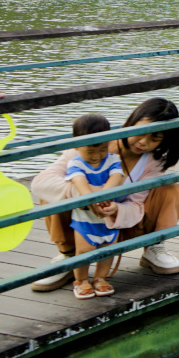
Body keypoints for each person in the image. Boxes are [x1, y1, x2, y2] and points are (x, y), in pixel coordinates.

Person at [30, 97, 179, 291]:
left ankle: (154, 246)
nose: (143, 142)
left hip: (121, 225)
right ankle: (69, 256)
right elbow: (40, 183)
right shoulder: (96, 140)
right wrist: (87, 195)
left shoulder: (153, 162)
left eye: (155, 138)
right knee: (52, 193)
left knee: (171, 190)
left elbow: (137, 205)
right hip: (82, 225)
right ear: (133, 121)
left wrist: (115, 208)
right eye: (142, 131)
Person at [63, 114, 126, 299]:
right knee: (84, 251)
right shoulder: (75, 163)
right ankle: (81, 280)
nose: (97, 156)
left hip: (107, 214)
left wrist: (104, 194)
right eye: (90, 151)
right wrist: (94, 199)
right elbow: (79, 183)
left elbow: (117, 176)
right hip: (85, 218)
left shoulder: (113, 159)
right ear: (76, 145)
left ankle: (100, 278)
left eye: (103, 149)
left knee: (109, 249)